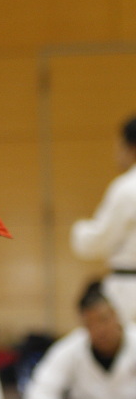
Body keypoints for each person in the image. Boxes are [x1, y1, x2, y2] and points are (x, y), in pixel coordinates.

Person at [21, 280, 136, 399]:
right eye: (90, 324)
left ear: (116, 316)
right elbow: (42, 390)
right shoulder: (71, 348)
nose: (99, 329)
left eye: (103, 319)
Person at [71, 115, 136, 323]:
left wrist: (79, 230)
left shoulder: (127, 188)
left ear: (130, 147)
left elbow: (96, 242)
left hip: (128, 292)